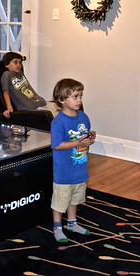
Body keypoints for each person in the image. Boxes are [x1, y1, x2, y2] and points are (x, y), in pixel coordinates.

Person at [49, 78, 96, 243]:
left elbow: (84, 138)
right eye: (75, 97)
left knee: (75, 198)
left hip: (80, 168)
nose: (79, 100)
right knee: (60, 201)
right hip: (64, 172)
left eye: (80, 96)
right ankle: (57, 227)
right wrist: (78, 142)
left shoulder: (83, 117)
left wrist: (89, 139)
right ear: (61, 100)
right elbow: (56, 145)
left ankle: (72, 223)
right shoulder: (58, 122)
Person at [0, 52, 47, 118]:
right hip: (27, 107)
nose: (18, 65)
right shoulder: (6, 75)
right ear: (7, 64)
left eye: (20, 63)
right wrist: (9, 108)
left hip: (38, 102)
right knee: (51, 116)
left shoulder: (20, 73)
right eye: (15, 62)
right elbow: (5, 92)